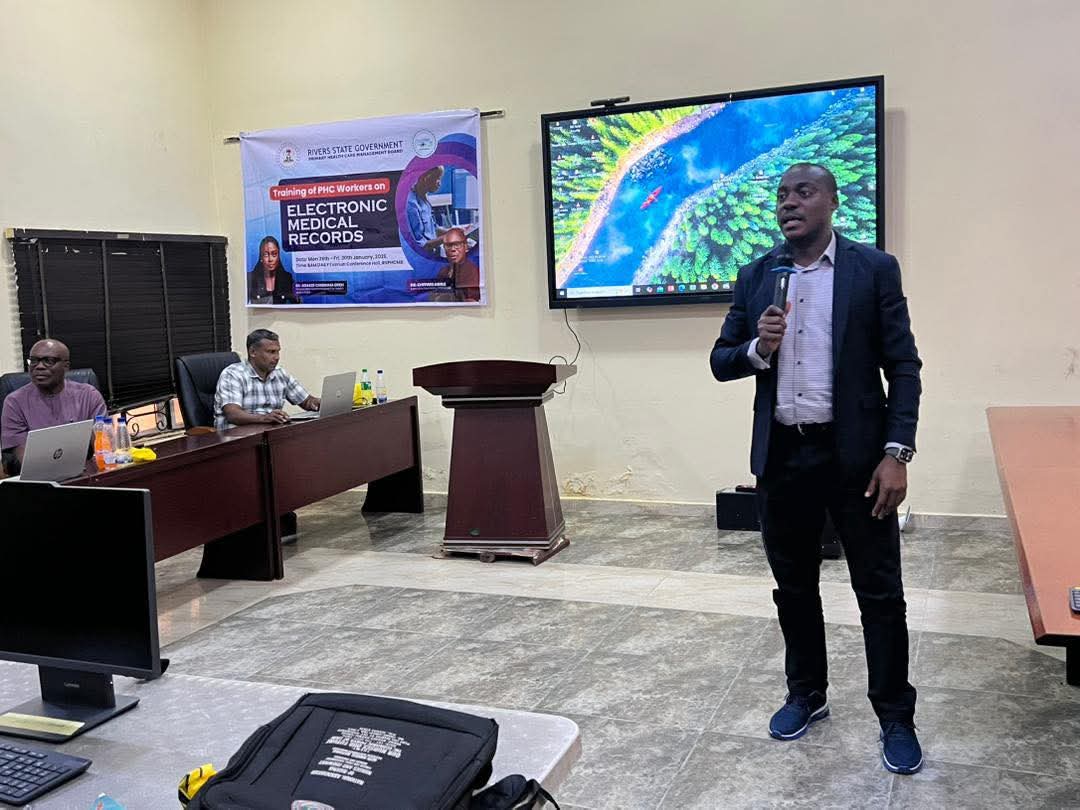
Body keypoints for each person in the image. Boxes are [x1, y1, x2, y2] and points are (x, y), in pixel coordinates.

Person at [709, 163, 923, 775]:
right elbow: (722, 360)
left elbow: (903, 367)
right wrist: (759, 348)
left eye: (803, 192)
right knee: (795, 588)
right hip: (783, 457)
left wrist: (897, 453)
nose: (789, 203)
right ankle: (807, 693)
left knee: (879, 594)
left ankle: (895, 716)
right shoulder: (757, 275)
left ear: (833, 201)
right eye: (781, 195)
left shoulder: (872, 269)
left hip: (858, 460)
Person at [1, 339, 107, 469]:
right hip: (38, 475)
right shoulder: (14, 402)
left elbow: (103, 441)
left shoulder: (88, 395)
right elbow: (23, 457)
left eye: (49, 361)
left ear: (66, 366)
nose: (39, 366)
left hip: (84, 471)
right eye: (34, 361)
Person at [214, 329, 320, 430]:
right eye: (271, 352)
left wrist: (320, 403)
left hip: (270, 434)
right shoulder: (233, 374)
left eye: (278, 352)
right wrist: (265, 418)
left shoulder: (280, 374)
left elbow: (306, 401)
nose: (277, 357)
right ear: (253, 352)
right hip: (236, 436)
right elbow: (233, 415)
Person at [405, 166, 449, 254]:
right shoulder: (411, 205)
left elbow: (433, 230)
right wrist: (450, 237)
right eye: (438, 178)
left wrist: (454, 232)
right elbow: (422, 245)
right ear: (425, 178)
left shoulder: (424, 199)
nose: (439, 183)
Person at [247, 236, 299, 305]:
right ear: (261, 257)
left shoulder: (287, 278)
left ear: (278, 256)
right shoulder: (250, 278)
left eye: (274, 254)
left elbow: (298, 304)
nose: (270, 259)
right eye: (266, 255)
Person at [434, 227, 481, 302]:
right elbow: (435, 298)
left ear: (465, 246)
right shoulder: (443, 271)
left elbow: (472, 302)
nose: (453, 249)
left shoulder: (472, 272)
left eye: (457, 244)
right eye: (448, 245)